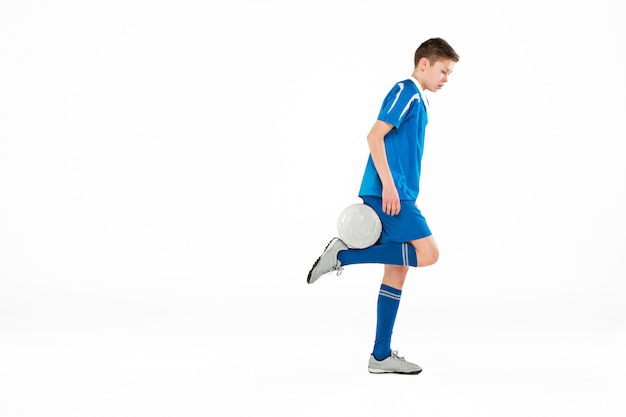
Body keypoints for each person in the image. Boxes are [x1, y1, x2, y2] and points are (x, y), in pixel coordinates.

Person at [306, 37, 460, 375]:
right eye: (443, 70)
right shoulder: (406, 90)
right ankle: (343, 255)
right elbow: (374, 136)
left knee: (398, 269)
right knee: (429, 253)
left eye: (450, 73)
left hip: (399, 192)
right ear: (424, 64)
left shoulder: (419, 99)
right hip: (391, 193)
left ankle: (380, 356)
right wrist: (390, 186)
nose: (446, 78)